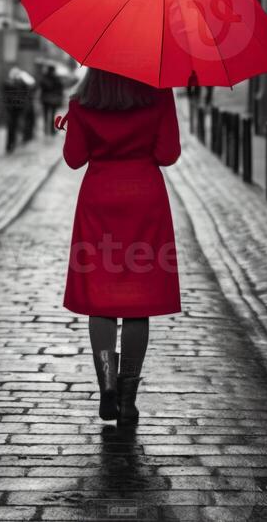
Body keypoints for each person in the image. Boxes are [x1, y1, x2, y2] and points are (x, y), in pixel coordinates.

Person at [56, 68, 181, 426]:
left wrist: (69, 123)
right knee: (137, 304)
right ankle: (127, 398)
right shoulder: (158, 93)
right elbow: (168, 153)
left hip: (99, 200)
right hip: (144, 199)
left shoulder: (83, 100)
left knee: (102, 299)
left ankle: (107, 384)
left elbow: (74, 158)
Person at [2, 65, 36, 151]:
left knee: (15, 125)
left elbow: (31, 86)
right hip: (12, 108)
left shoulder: (20, 83)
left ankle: (13, 142)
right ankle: (11, 143)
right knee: (12, 126)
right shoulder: (9, 83)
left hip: (18, 108)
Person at [40, 63, 64, 135]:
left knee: (46, 115)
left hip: (45, 99)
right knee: (52, 115)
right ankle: (51, 130)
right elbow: (60, 88)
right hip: (53, 99)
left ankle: (46, 129)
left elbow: (42, 86)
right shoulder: (56, 78)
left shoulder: (44, 77)